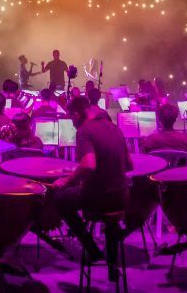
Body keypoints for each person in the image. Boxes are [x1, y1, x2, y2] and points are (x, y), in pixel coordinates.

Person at [52, 96, 131, 262]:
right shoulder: (114, 127)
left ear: (75, 114)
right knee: (78, 191)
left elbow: (88, 165)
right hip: (122, 197)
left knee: (59, 197)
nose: (71, 122)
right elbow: (129, 165)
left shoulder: (84, 131)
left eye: (70, 117)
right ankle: (111, 262)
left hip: (99, 199)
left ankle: (92, 251)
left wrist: (66, 181)